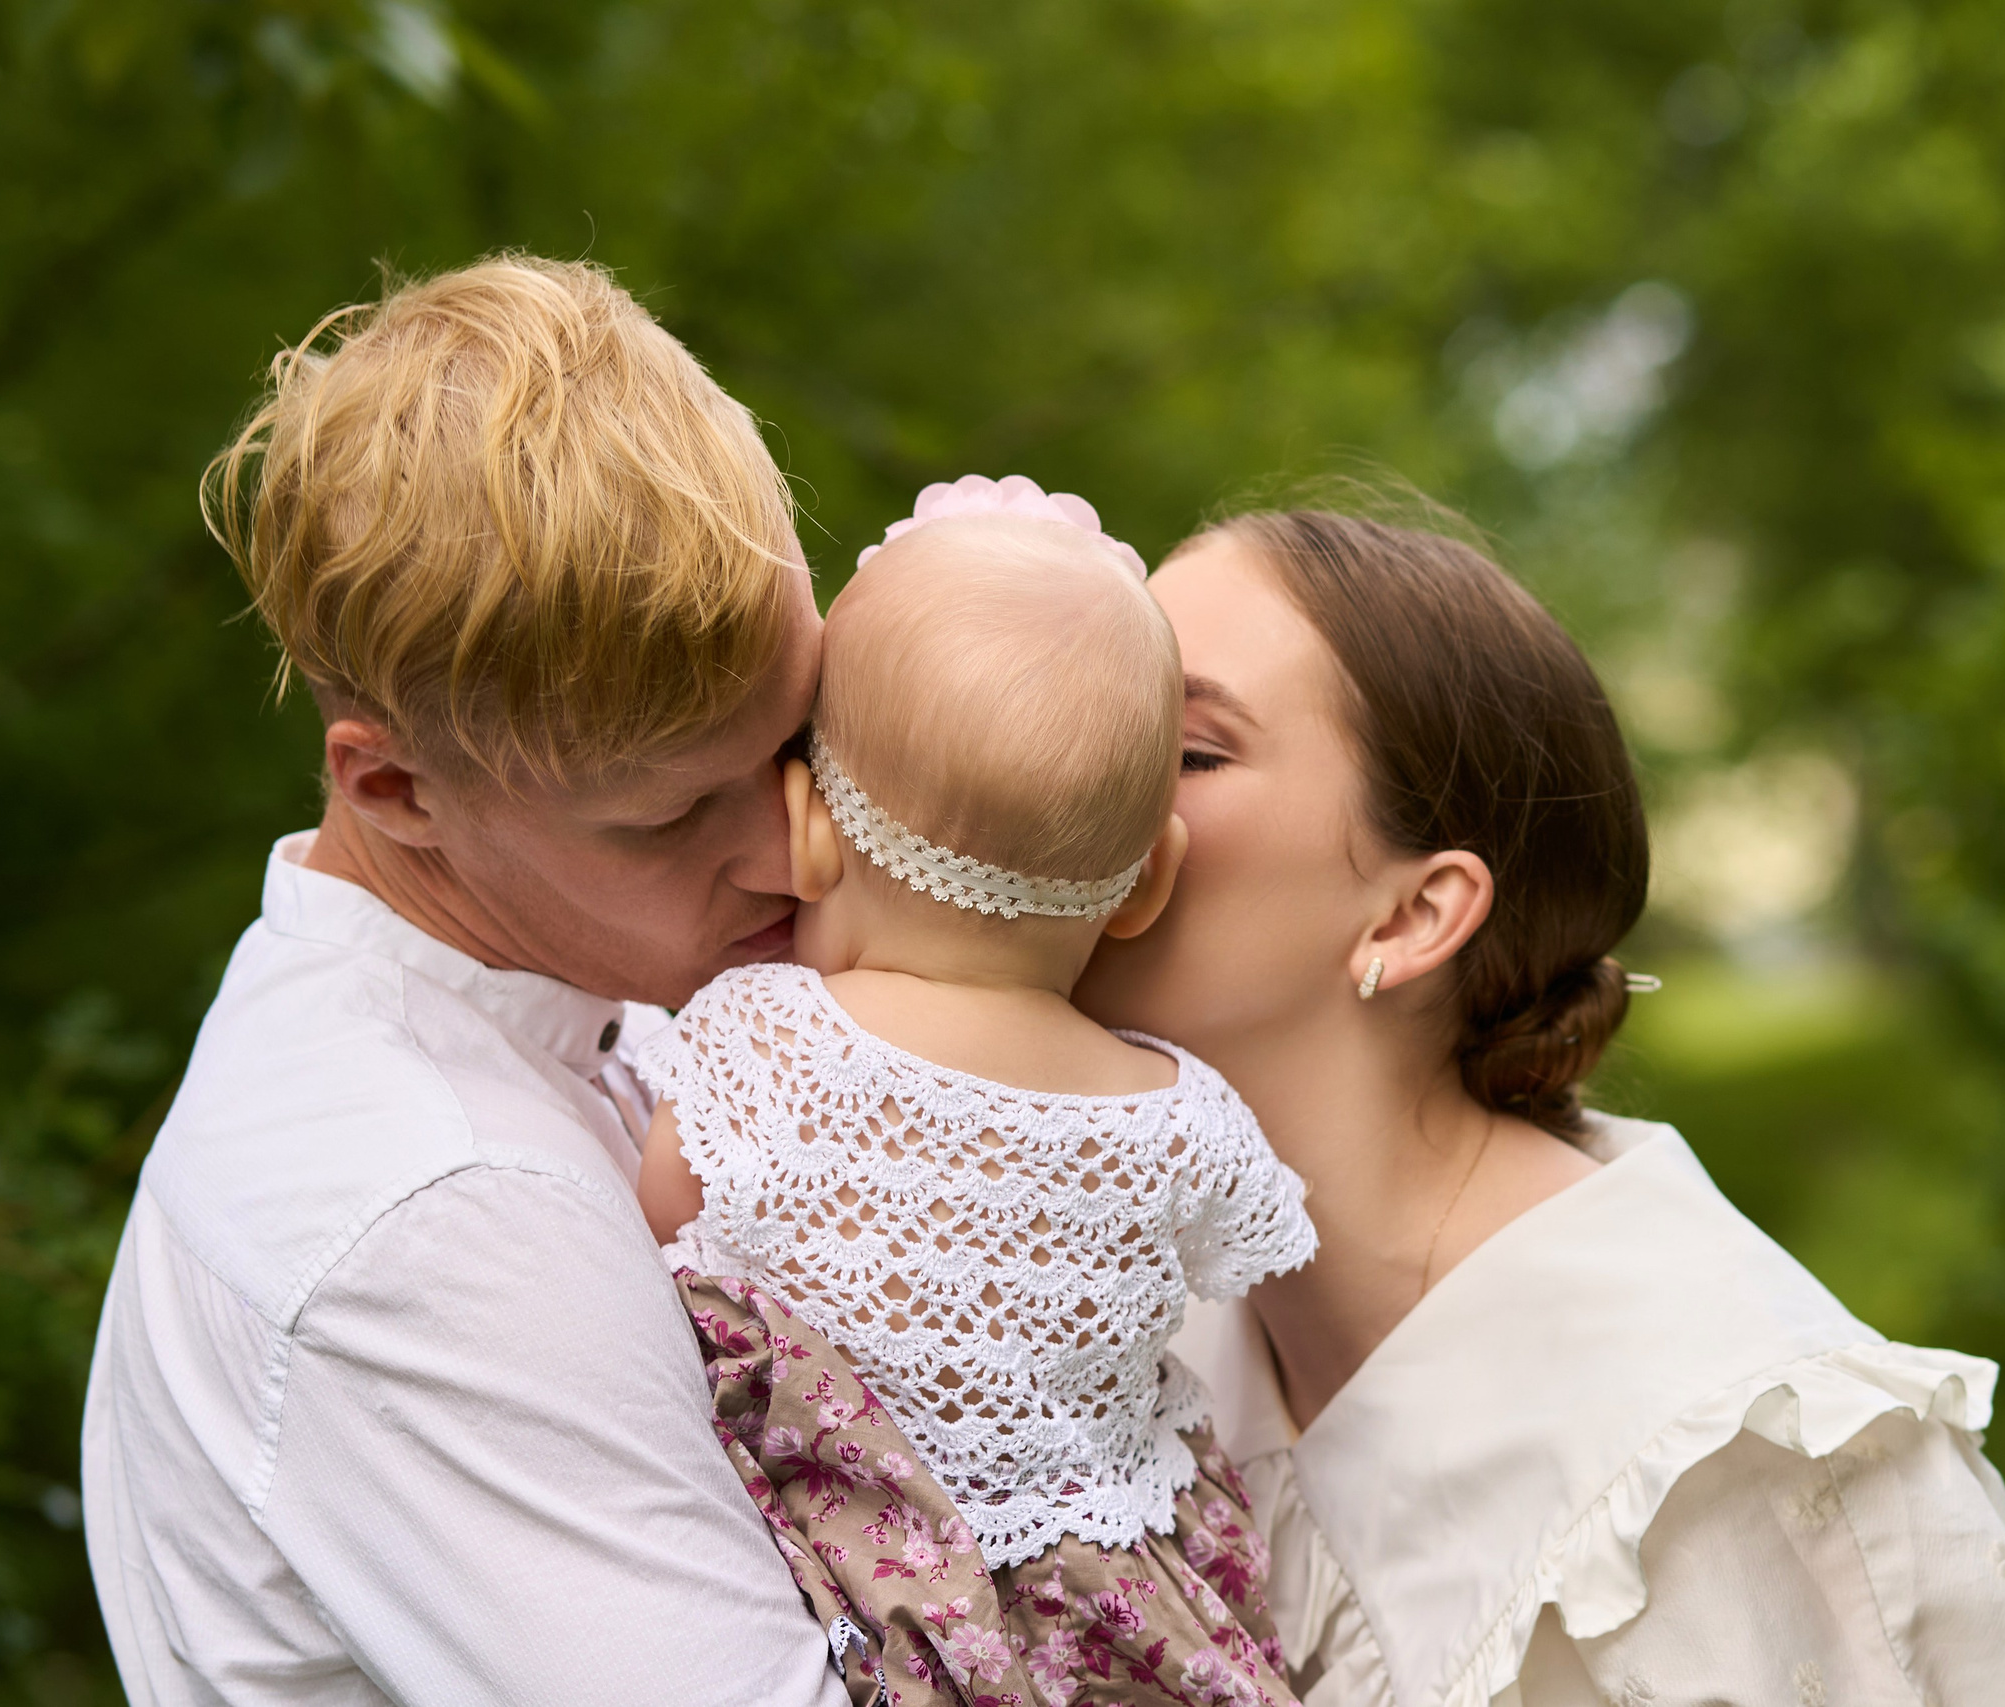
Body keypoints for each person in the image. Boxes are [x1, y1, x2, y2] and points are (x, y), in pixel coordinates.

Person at [1076, 507, 2005, 1707]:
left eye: (1188, 752)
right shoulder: (1102, 1332)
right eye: (1094, 717)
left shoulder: (1753, 1461)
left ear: (1412, 915)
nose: (1068, 774)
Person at [78, 255, 849, 1705]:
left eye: (802, 740)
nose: (793, 850)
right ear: (395, 789)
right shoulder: (433, 1208)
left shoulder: (573, 990)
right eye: (673, 815)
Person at [632, 477, 1318, 1707]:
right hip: (1122, 1624)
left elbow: (656, 1248)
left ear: (805, 827)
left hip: (870, 1608)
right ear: (1149, 880)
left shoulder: (757, 1040)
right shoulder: (1181, 1117)